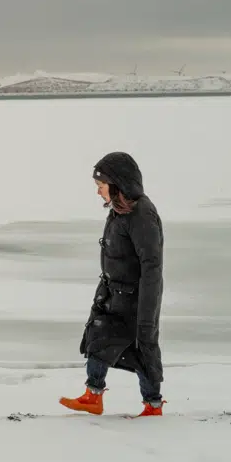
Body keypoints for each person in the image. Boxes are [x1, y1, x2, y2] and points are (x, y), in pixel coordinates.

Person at [61, 151, 165, 417]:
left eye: (101, 186)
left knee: (142, 348)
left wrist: (147, 313)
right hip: (113, 293)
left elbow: (152, 266)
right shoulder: (121, 210)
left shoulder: (142, 213)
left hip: (136, 299)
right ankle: (92, 396)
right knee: (98, 337)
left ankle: (152, 405)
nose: (98, 192)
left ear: (117, 183)